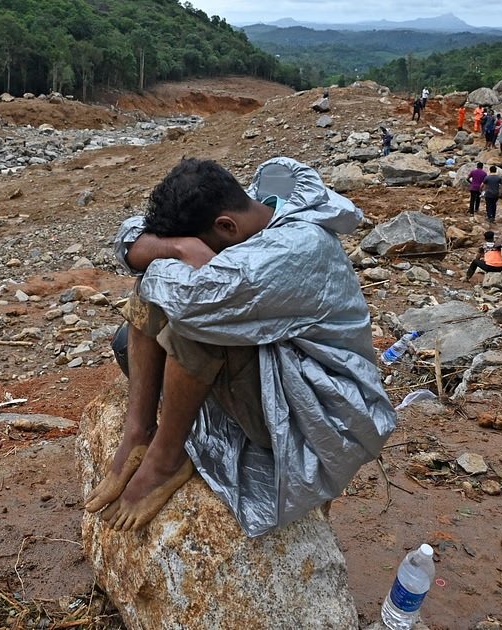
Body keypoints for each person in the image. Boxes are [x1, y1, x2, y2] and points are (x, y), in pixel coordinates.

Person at [91, 157, 396, 536]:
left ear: (225, 227)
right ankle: (138, 431)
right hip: (279, 366)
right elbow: (129, 240)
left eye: (200, 242)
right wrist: (181, 248)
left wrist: (165, 255)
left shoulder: (294, 249)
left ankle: (166, 460)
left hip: (317, 412)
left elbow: (184, 301)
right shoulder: (252, 208)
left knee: (196, 326)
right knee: (154, 300)